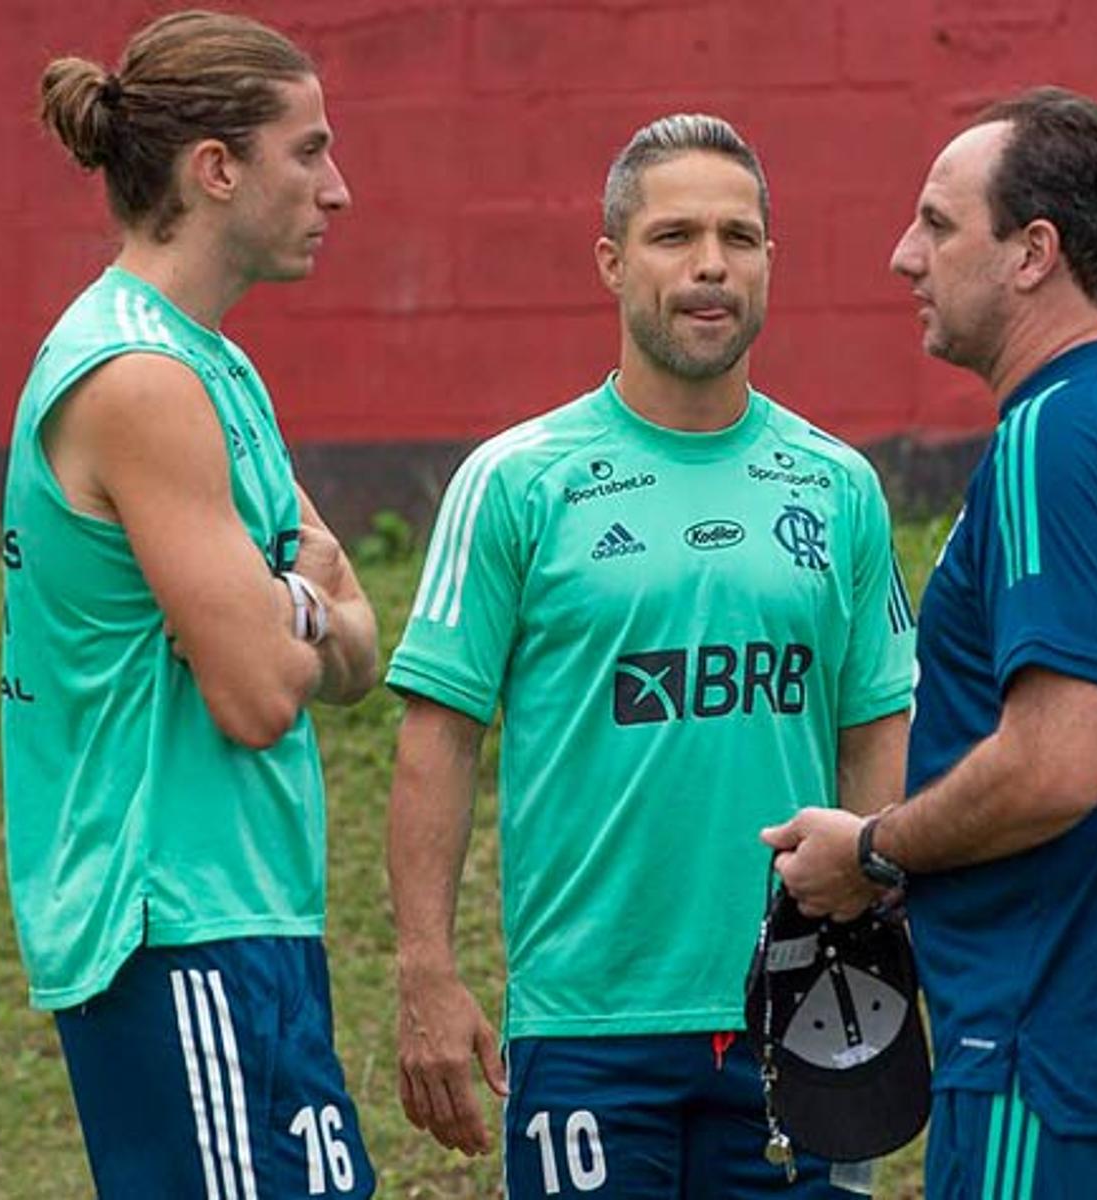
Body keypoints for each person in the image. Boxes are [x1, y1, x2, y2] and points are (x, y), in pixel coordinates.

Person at [764, 87, 1097, 1198]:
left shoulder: (1053, 436)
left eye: (936, 223)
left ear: (1033, 253)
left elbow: (1062, 762)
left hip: (1065, 1053)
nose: (902, 257)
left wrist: (874, 851)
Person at [384, 113, 917, 1197]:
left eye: (740, 236)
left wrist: (880, 936)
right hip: (588, 1025)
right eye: (674, 235)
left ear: (772, 260)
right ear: (613, 261)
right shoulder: (516, 481)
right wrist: (426, 973)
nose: (711, 265)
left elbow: (877, 730)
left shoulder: (838, 485)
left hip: (797, 1012)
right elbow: (436, 739)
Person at [0, 11, 380, 1196]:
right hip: (174, 926)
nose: (340, 189)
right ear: (216, 169)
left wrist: (295, 609)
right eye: (308, 151)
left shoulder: (213, 362)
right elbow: (263, 694)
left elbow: (359, 639)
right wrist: (297, 615)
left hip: (245, 920)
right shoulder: (140, 377)